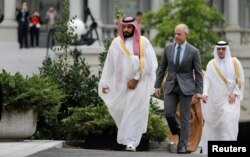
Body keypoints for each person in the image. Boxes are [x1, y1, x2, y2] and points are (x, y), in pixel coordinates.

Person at [98, 16, 158, 151]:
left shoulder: (144, 42)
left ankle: (131, 142)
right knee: (123, 112)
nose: (126, 29)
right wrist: (106, 83)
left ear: (135, 28)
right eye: (124, 27)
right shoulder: (116, 43)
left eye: (129, 27)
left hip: (139, 84)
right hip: (121, 85)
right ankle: (127, 138)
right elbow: (110, 65)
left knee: (135, 112)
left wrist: (136, 79)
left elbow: (151, 65)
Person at [154, 23, 203, 154]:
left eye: (179, 34)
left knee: (185, 118)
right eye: (175, 33)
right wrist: (157, 85)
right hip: (170, 86)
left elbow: (198, 72)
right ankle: (180, 133)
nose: (176, 36)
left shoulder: (194, 51)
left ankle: (182, 145)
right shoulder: (168, 48)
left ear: (186, 35)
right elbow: (162, 67)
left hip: (187, 88)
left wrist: (199, 91)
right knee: (169, 114)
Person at [200, 41, 245, 154]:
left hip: (231, 101)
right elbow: (207, 81)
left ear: (227, 49)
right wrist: (205, 93)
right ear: (216, 50)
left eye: (223, 49)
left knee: (228, 125)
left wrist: (234, 94)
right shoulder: (211, 64)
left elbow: (240, 81)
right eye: (219, 49)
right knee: (217, 127)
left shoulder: (235, 62)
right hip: (216, 102)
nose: (221, 51)